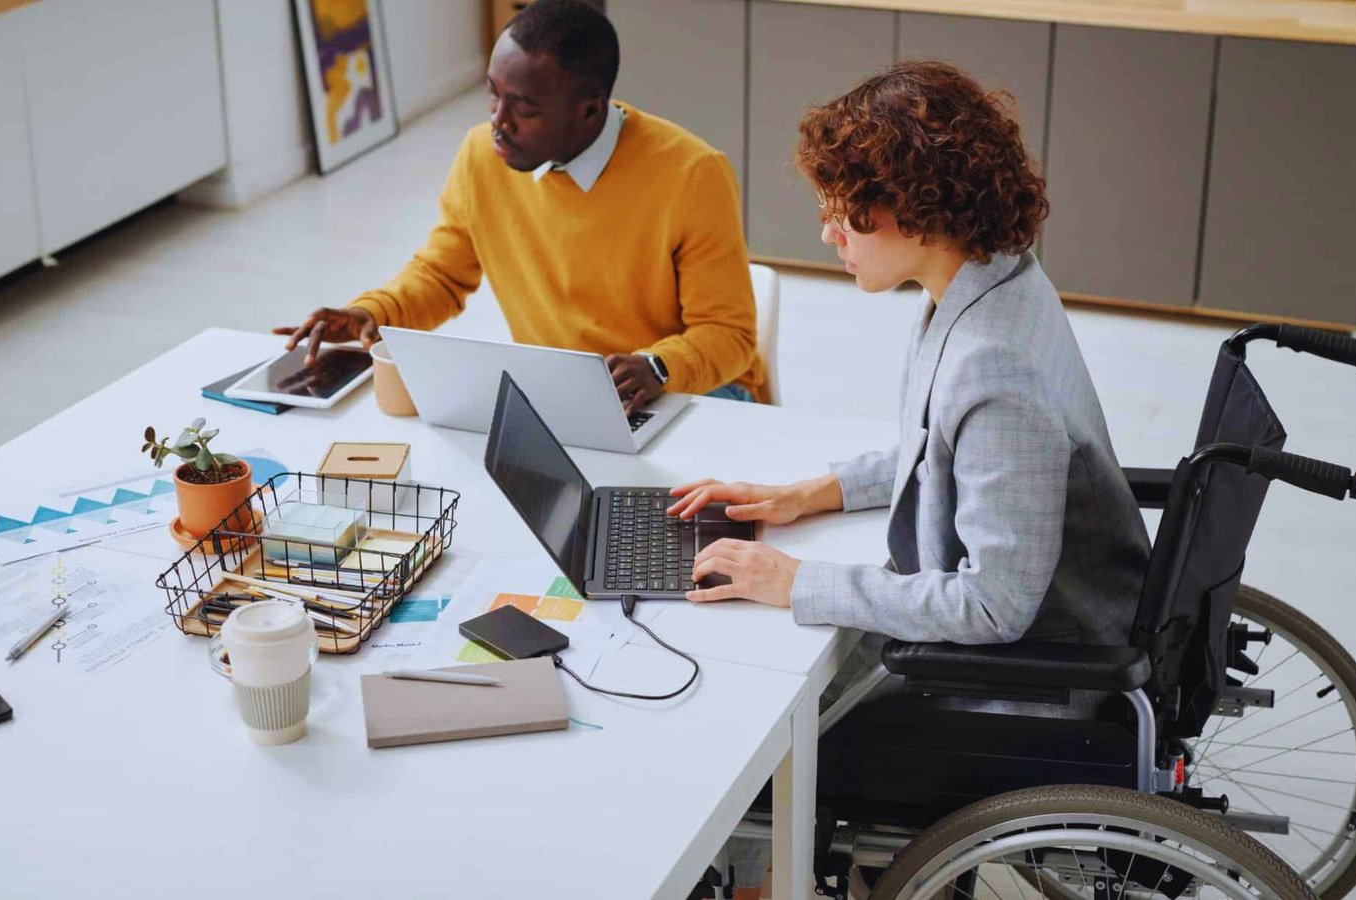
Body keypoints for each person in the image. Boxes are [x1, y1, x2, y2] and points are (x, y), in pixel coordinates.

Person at [666, 61, 1152, 898]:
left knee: (730, 724)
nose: (828, 234)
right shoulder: (995, 280)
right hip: (1052, 623)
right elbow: (948, 448)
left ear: (914, 211)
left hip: (1030, 680)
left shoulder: (994, 364)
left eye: (843, 212)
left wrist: (799, 581)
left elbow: (994, 605)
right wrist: (807, 493)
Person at [277, 0, 768, 410]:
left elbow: (729, 335)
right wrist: (370, 314)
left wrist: (656, 368)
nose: (498, 121)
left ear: (590, 108)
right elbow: (442, 275)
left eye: (524, 108)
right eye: (493, 95)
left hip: (689, 391)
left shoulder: (691, 174)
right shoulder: (482, 155)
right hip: (562, 393)